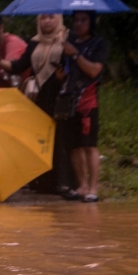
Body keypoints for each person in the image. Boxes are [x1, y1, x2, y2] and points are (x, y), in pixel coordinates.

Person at [0, 13, 71, 194]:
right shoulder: (34, 42)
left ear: (59, 19)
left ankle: (63, 182)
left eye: (51, 17)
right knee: (41, 137)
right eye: (43, 18)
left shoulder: (67, 40)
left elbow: (72, 64)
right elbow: (20, 65)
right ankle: (42, 181)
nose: (47, 21)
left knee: (60, 137)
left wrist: (64, 74)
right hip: (39, 94)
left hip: (60, 93)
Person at [60, 11, 108, 203]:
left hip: (88, 100)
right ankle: (82, 186)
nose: (79, 24)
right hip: (69, 98)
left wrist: (76, 54)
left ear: (91, 22)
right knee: (74, 146)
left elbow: (94, 70)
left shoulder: (99, 44)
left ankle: (93, 188)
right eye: (76, 20)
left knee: (89, 145)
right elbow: (65, 73)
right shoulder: (69, 43)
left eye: (83, 20)